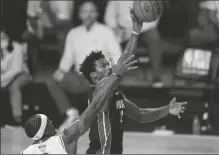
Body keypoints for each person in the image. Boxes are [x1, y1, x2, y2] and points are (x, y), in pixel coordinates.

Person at [80, 9, 187, 154]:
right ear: (93, 75)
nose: (109, 66)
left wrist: (167, 109)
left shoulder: (116, 95)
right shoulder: (96, 90)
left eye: (108, 64)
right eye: (103, 65)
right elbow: (124, 60)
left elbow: (141, 115)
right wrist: (135, 33)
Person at [21, 54, 138, 154]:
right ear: (45, 131)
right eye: (49, 123)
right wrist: (114, 76)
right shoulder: (65, 139)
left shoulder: (25, 152)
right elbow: (93, 109)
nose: (52, 122)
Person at [47, 0, 121, 131]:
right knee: (52, 81)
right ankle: (71, 113)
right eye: (85, 12)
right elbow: (68, 57)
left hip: (99, 78)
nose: (88, 15)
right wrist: (61, 70)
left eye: (92, 11)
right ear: (80, 15)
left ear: (97, 14)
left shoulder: (106, 32)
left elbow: (117, 55)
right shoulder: (73, 33)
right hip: (79, 78)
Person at [104, 1, 164, 87]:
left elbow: (155, 17)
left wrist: (137, 28)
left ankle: (156, 76)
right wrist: (114, 28)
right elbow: (109, 15)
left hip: (144, 28)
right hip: (122, 29)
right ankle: (112, 76)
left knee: (154, 38)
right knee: (108, 37)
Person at [1, 30, 31, 125]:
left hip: (21, 74)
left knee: (14, 86)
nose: (1, 40)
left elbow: (16, 69)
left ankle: (17, 117)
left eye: (3, 37)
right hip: (4, 76)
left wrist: (2, 80)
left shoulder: (17, 47)